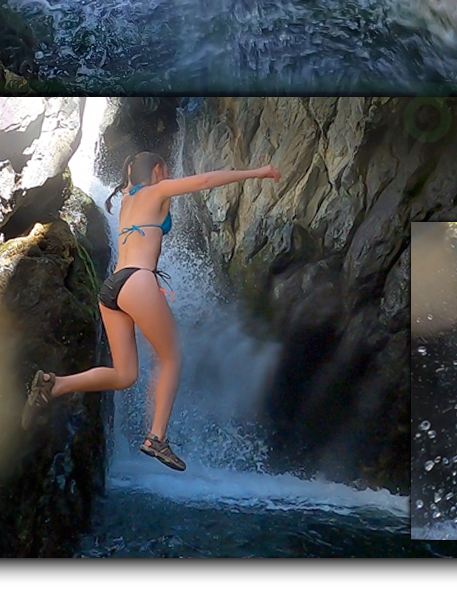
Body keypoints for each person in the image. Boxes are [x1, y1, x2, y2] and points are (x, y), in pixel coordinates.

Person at [21, 151, 281, 472]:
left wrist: (150, 284)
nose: (167, 175)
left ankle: (54, 384)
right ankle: (156, 438)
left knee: (125, 374)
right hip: (137, 282)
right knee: (171, 358)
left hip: (114, 287)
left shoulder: (127, 199)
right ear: (158, 170)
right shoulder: (157, 190)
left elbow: (138, 242)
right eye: (165, 170)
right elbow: (204, 180)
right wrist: (257, 172)